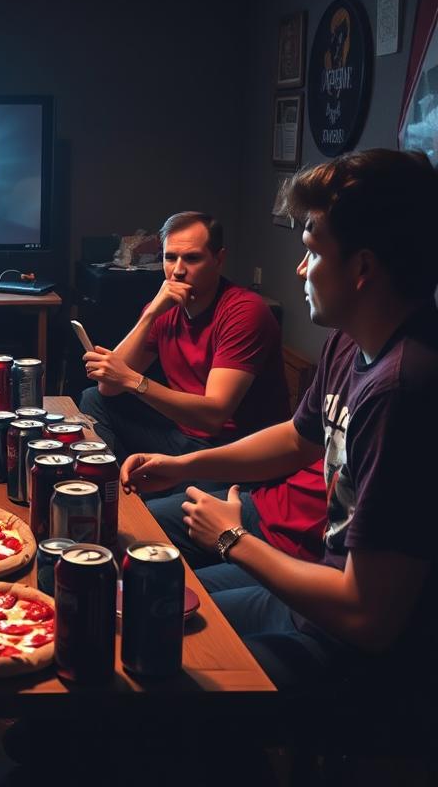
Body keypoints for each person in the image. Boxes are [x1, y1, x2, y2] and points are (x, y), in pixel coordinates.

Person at [121, 149, 438, 689]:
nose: (299, 268)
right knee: (142, 609)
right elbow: (296, 438)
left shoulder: (402, 388)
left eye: (311, 250)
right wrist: (184, 464)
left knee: (166, 676)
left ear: (362, 268)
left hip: (356, 654)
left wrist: (233, 540)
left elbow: (370, 620)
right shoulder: (349, 340)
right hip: (312, 600)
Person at [79, 211, 290, 464]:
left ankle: (143, 495)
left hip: (234, 452)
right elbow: (109, 386)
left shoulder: (245, 311)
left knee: (159, 504)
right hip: (182, 435)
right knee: (94, 398)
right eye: (170, 258)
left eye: (192, 258)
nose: (178, 271)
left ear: (218, 259)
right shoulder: (162, 309)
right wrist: (151, 314)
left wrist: (134, 381)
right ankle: (120, 487)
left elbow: (214, 417)